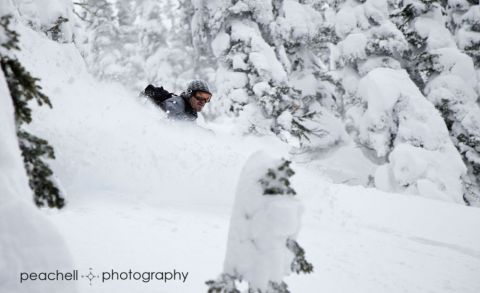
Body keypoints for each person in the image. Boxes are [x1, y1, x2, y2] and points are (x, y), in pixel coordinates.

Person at [143, 79, 212, 121]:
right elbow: (166, 121)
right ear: (190, 93)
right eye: (200, 95)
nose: (203, 101)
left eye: (207, 97)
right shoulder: (177, 104)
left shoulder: (190, 111)